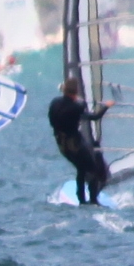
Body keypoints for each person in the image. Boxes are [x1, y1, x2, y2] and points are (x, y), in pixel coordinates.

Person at [48, 77, 112, 205]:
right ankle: (93, 200)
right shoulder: (77, 106)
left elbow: (53, 119)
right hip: (74, 145)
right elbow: (95, 117)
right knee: (93, 170)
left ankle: (81, 199)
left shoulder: (55, 102)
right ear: (75, 92)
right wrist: (106, 106)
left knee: (81, 168)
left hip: (61, 144)